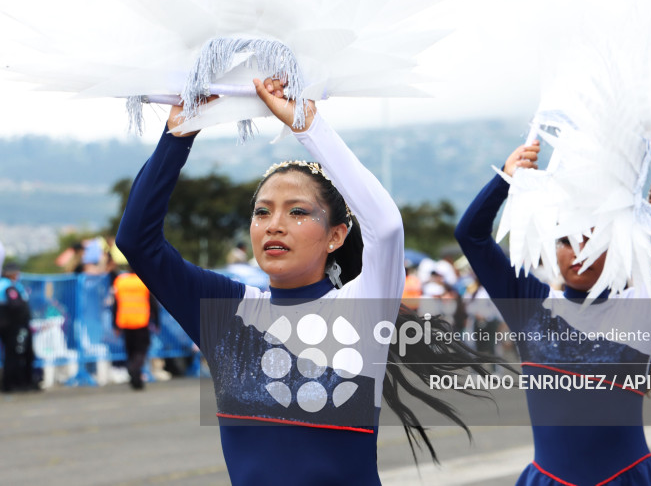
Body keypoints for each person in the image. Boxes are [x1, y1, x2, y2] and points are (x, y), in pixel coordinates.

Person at [116, 79, 497, 485]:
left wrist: (308, 125)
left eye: (297, 212)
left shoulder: (362, 307)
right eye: (262, 213)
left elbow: (385, 228)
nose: (274, 226)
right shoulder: (227, 312)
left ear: (336, 235)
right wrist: (178, 133)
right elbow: (137, 241)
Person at [454, 142, 651, 485]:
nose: (580, 251)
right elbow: (471, 235)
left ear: (619, 244)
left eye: (595, 239)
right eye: (567, 240)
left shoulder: (645, 303)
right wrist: (505, 181)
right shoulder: (529, 304)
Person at [112, 269, 160, 390]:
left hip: (125, 321)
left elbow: (115, 304)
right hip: (141, 322)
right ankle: (134, 370)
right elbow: (153, 304)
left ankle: (136, 380)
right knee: (141, 350)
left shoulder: (120, 282)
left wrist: (115, 324)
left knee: (131, 351)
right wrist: (157, 322)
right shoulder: (143, 281)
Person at [0, 261, 36, 392]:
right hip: (15, 326)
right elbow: (15, 306)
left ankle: (15, 383)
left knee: (13, 354)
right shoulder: (9, 287)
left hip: (11, 326)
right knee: (16, 354)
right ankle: (15, 383)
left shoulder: (9, 285)